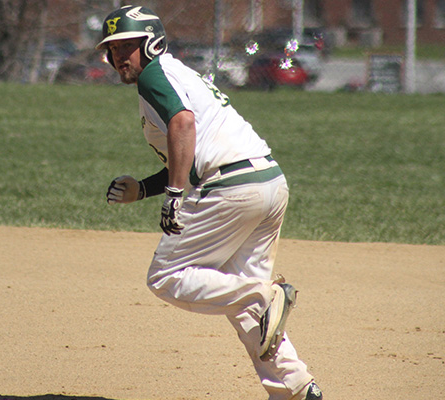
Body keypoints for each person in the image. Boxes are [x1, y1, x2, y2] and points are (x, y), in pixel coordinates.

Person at [99, 5, 322, 400]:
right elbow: (190, 150)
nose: (120, 57)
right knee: (240, 303)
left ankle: (262, 293)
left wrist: (173, 195)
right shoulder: (177, 73)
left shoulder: (154, 74)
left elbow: (182, 124)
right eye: (113, 49)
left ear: (151, 43)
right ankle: (295, 388)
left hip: (232, 189)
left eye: (127, 46)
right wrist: (145, 189)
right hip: (267, 182)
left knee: (167, 276)